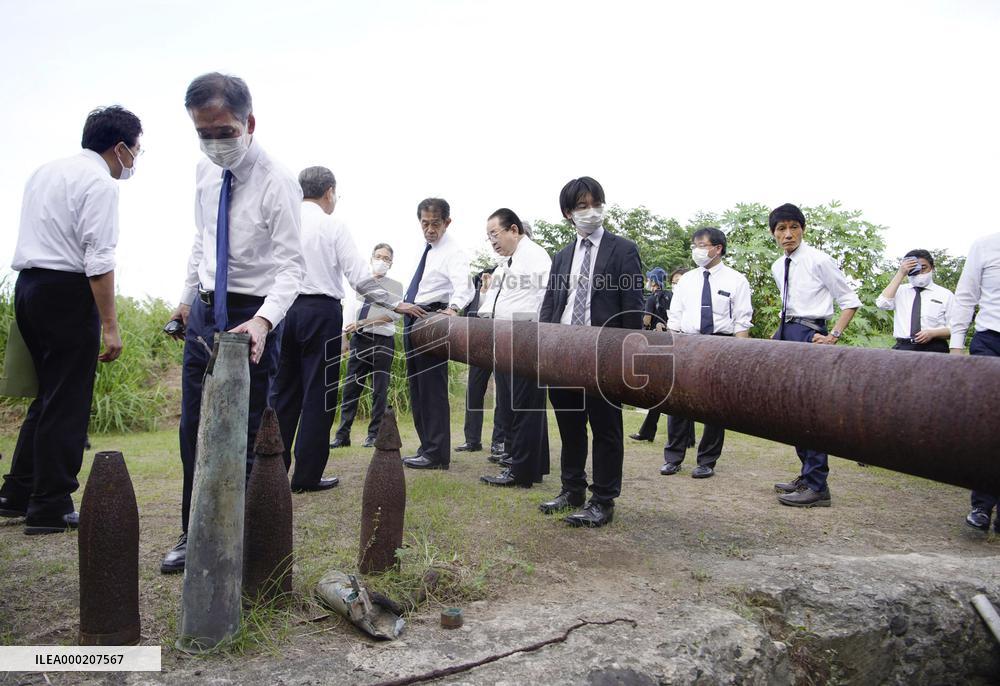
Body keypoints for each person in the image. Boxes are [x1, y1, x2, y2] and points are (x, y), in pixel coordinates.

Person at [160, 73, 305, 574]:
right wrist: (185, 300)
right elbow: (202, 240)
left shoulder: (277, 181)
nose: (215, 144)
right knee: (195, 428)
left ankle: (236, 538)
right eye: (204, 134)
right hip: (204, 311)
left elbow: (292, 267)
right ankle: (192, 529)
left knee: (244, 429)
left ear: (250, 123)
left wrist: (264, 322)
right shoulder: (203, 173)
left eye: (224, 132)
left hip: (253, 314)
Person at [0, 106, 142, 535]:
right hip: (66, 290)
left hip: (27, 287)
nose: (137, 156)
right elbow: (98, 260)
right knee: (68, 398)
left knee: (48, 395)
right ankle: (50, 504)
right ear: (119, 148)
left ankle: (16, 492)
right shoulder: (100, 182)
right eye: (137, 148)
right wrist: (111, 326)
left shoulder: (45, 171)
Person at [275, 169, 421, 490]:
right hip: (320, 312)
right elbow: (359, 276)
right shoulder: (333, 225)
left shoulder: (283, 220)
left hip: (281, 309)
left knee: (282, 393)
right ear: (329, 192)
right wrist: (397, 304)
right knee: (319, 395)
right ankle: (306, 476)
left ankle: (272, 471)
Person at [538, 176, 644, 527]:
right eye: (582, 206)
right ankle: (572, 490)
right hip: (563, 351)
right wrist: (545, 344)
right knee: (569, 425)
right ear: (568, 213)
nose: (590, 211)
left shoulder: (623, 249)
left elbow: (632, 309)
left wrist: (626, 356)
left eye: (595, 203)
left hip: (603, 352)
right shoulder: (562, 255)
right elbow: (552, 303)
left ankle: (603, 499)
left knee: (605, 428)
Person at [769, 203, 861, 508]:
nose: (788, 234)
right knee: (791, 412)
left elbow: (850, 301)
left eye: (794, 227)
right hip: (787, 334)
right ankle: (806, 476)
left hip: (810, 334)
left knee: (809, 410)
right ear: (773, 234)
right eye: (781, 229)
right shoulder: (777, 264)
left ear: (803, 229)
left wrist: (833, 335)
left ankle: (818, 484)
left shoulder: (819, 260)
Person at [662, 227, 752, 478]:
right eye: (694, 246)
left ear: (718, 248)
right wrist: (672, 349)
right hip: (686, 343)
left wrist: (740, 356)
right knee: (677, 402)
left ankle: (707, 461)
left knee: (714, 406)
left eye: (702, 245)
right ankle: (673, 457)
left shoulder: (736, 280)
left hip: (721, 344)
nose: (697, 251)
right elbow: (675, 315)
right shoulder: (687, 280)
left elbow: (742, 321)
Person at [477, 208, 552, 488]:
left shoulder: (534, 255)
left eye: (495, 234)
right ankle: (533, 465)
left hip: (524, 337)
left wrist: (531, 335)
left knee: (522, 407)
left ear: (514, 230)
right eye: (488, 237)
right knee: (517, 405)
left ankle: (518, 470)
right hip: (505, 338)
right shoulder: (505, 263)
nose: (492, 241)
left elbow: (545, 298)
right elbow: (492, 305)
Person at [401, 198, 475, 470]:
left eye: (435, 224)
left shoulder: (453, 251)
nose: (429, 229)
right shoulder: (427, 250)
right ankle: (426, 447)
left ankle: (436, 453)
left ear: (447, 222)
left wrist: (453, 310)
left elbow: (464, 287)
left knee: (432, 388)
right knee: (418, 389)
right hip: (413, 317)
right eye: (424, 223)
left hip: (433, 319)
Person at [333, 242, 408, 449]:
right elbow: (349, 312)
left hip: (382, 342)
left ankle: (373, 434)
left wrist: (364, 322)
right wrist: (344, 338)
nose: (381, 261)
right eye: (378, 256)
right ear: (371, 258)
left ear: (391, 263)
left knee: (379, 390)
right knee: (351, 388)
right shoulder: (359, 283)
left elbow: (393, 314)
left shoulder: (394, 287)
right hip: (359, 340)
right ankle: (342, 435)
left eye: (386, 258)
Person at [948, 232, 1000, 532]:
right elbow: (966, 295)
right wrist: (956, 346)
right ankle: (982, 505)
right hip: (990, 339)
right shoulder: (985, 246)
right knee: (987, 426)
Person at [629, 267, 693, 444]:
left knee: (661, 391)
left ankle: (650, 431)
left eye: (650, 279)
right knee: (674, 389)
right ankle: (687, 436)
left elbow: (646, 321)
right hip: (676, 344)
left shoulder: (652, 298)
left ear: (654, 281)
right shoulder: (672, 297)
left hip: (658, 345)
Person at [456, 268, 509, 457]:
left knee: (502, 395)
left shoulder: (507, 291)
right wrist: (483, 292)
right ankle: (472, 440)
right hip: (478, 348)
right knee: (474, 392)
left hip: (501, 345)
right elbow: (467, 318)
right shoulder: (476, 291)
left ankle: (499, 441)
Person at [876, 249, 952, 353]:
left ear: (932, 268)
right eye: (914, 269)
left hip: (935, 347)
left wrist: (933, 333)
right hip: (904, 347)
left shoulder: (946, 295)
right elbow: (882, 303)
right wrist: (901, 273)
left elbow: (956, 328)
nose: (919, 273)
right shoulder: (899, 290)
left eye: (924, 268)